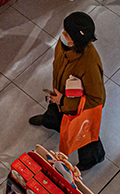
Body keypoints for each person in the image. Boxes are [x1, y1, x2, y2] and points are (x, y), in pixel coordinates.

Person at [28, 12, 106, 172]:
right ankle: (49, 121)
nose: (61, 34)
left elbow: (97, 99)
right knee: (54, 115)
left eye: (66, 33)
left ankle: (93, 157)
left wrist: (64, 101)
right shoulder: (64, 44)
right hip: (61, 96)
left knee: (83, 135)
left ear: (76, 41)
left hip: (76, 108)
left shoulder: (89, 64)